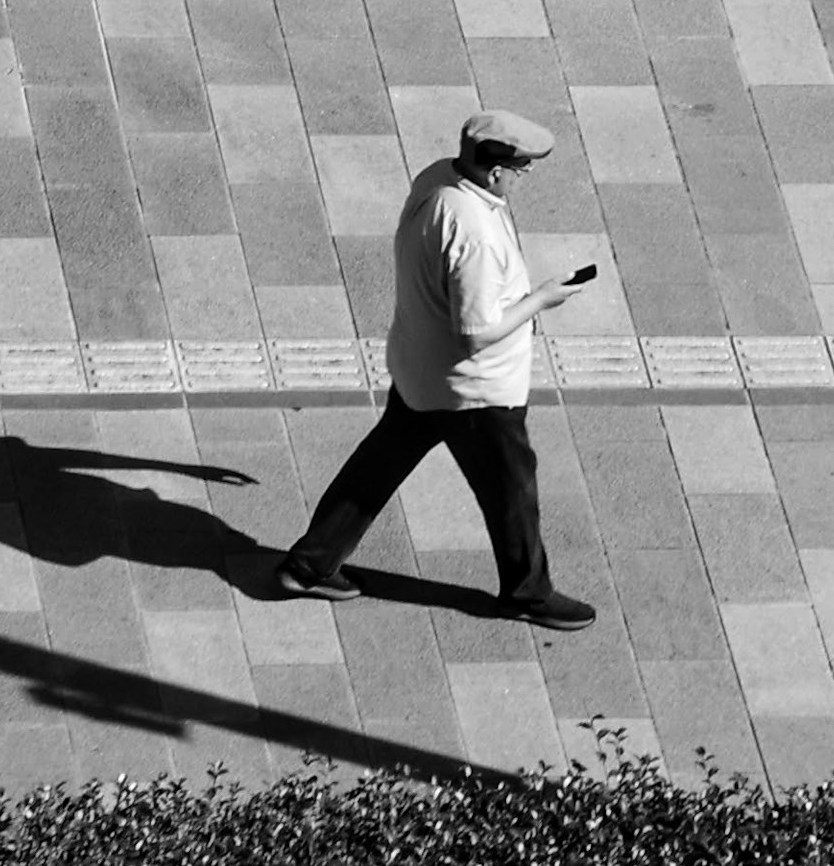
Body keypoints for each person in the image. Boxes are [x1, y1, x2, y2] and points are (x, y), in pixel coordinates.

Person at [256, 107, 598, 626]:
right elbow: (477, 331)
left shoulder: (438, 178)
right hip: (474, 392)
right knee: (512, 487)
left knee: (379, 464)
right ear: (496, 169)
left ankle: (310, 565)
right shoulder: (475, 233)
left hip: (419, 366)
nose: (526, 175)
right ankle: (527, 593)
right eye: (523, 166)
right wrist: (543, 299)